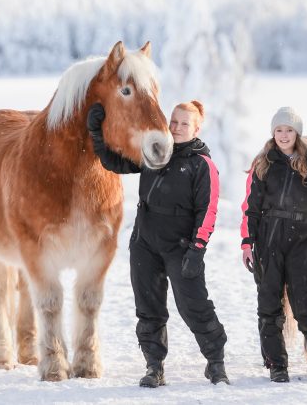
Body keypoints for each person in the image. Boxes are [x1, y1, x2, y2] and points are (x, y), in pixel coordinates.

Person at [86, 99, 228, 387]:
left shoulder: (203, 165)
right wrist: (97, 134)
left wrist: (197, 250)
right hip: (145, 242)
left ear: (197, 128)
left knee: (193, 306)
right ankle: (154, 366)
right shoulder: (155, 151)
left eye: (184, 123)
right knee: (148, 306)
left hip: (182, 246)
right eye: (173, 121)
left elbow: (208, 211)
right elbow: (115, 162)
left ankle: (216, 362)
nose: (176, 128)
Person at [240, 107, 307, 383]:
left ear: (296, 133)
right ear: (273, 133)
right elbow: (252, 208)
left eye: (289, 130)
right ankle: (276, 364)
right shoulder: (264, 163)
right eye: (279, 130)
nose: (283, 135)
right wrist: (248, 242)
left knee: (304, 302)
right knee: (269, 304)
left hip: (299, 237)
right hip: (268, 237)